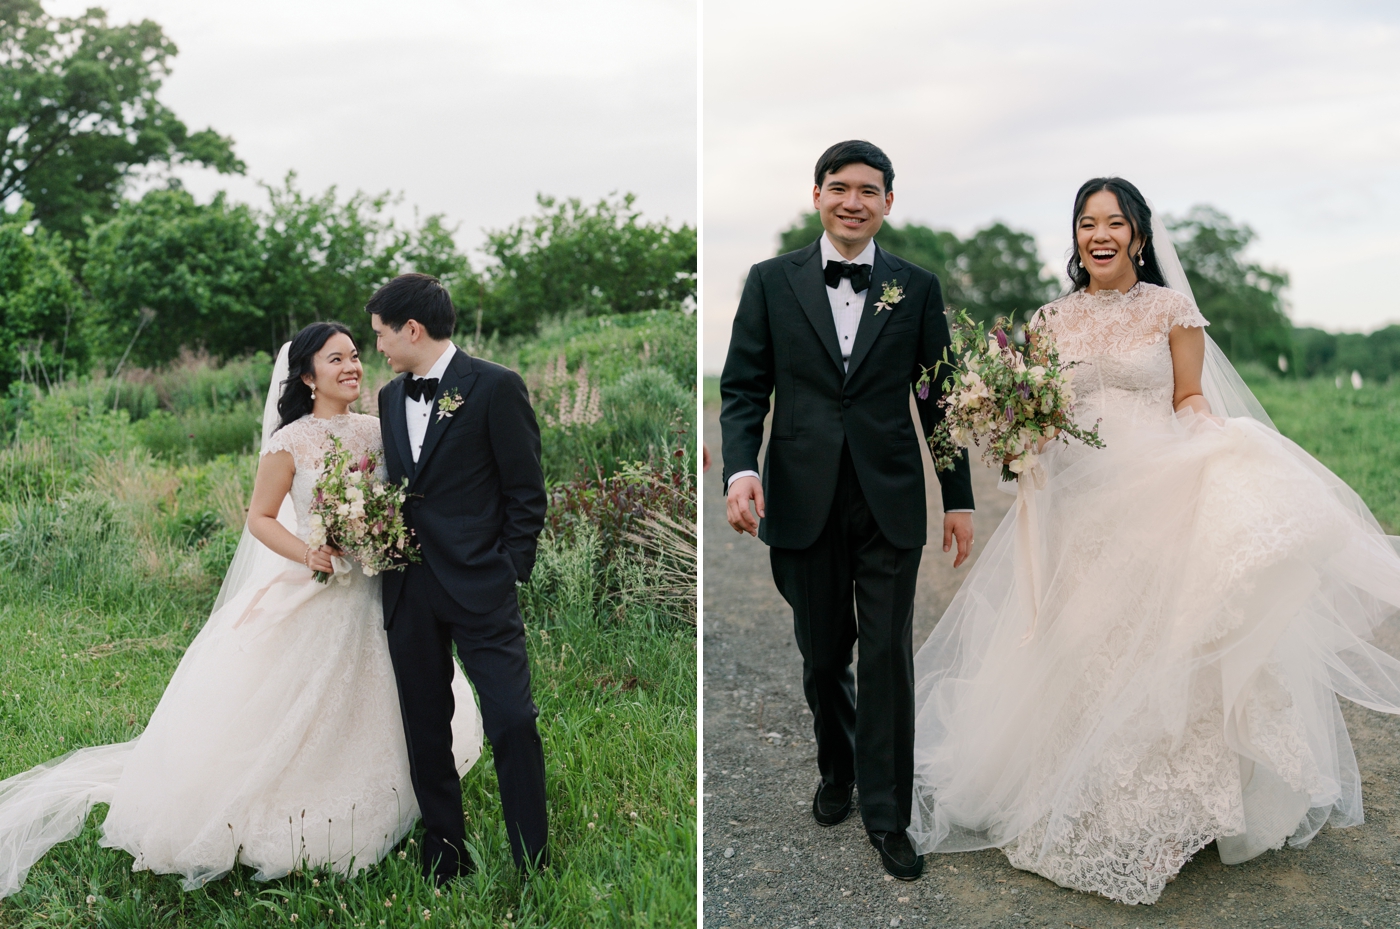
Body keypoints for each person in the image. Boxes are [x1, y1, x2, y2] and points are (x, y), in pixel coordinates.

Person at [908, 177, 1400, 904]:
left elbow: (1189, 397)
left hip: (1158, 492)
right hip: (1075, 504)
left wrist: (1219, 444)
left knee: (1163, 644)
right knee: (1081, 643)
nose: (1099, 234)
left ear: (1139, 234)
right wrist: (1017, 439)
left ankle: (1178, 812)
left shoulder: (1174, 310)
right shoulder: (1047, 319)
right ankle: (1088, 791)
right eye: (1086, 222)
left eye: (1114, 222)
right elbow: (1034, 412)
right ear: (1074, 237)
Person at [0, 322, 482, 899]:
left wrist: (379, 533)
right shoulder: (290, 443)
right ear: (307, 376)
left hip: (379, 591)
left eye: (356, 356)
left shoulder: (379, 431)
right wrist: (312, 550)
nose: (353, 366)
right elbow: (259, 518)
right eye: (337, 360)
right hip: (322, 589)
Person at [719, 140, 975, 881]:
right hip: (800, 498)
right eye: (840, 187)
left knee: (888, 652)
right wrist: (740, 469)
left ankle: (888, 813)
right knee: (824, 652)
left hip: (889, 497)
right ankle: (839, 766)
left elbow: (939, 398)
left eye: (869, 189)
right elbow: (743, 387)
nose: (853, 200)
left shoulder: (917, 287)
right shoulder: (770, 282)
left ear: (889, 202)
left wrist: (957, 498)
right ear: (817, 195)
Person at [366, 274, 550, 884]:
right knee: (425, 722)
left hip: (481, 586)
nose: (380, 349)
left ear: (411, 329)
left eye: (381, 336)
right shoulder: (391, 397)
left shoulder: (495, 386)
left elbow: (526, 492)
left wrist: (507, 571)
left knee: (512, 719)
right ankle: (446, 854)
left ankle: (532, 859)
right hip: (407, 588)